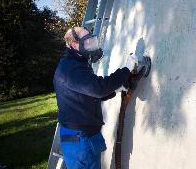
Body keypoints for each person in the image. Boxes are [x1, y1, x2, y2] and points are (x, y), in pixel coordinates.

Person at [53, 27, 142, 169]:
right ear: (74, 45)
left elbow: (86, 95)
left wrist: (115, 89)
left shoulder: (75, 63)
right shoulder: (70, 68)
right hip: (80, 140)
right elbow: (97, 89)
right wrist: (126, 69)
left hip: (79, 137)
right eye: (87, 41)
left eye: (92, 39)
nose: (91, 44)